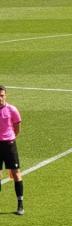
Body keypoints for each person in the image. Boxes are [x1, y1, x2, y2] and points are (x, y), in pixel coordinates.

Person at [0, 87, 24, 216]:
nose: (0, 98)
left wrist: (11, 138)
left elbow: (17, 127)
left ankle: (20, 204)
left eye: (2, 95)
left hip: (9, 145)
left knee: (16, 174)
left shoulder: (12, 110)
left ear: (5, 95)